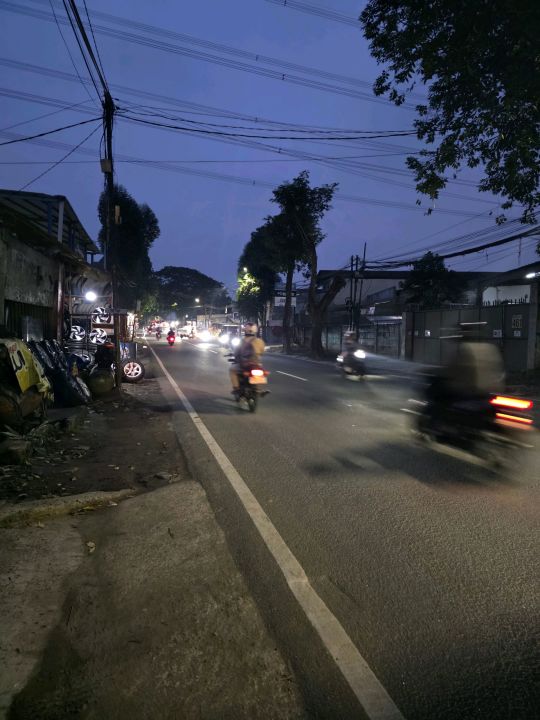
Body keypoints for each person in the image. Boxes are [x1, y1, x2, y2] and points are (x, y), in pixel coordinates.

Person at [230, 323, 265, 396]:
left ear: (245, 330)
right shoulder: (260, 341)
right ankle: (258, 389)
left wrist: (236, 357)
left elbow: (236, 353)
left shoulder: (242, 341)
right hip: (256, 364)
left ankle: (236, 388)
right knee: (260, 371)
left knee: (232, 369)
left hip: (245, 365)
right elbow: (262, 352)